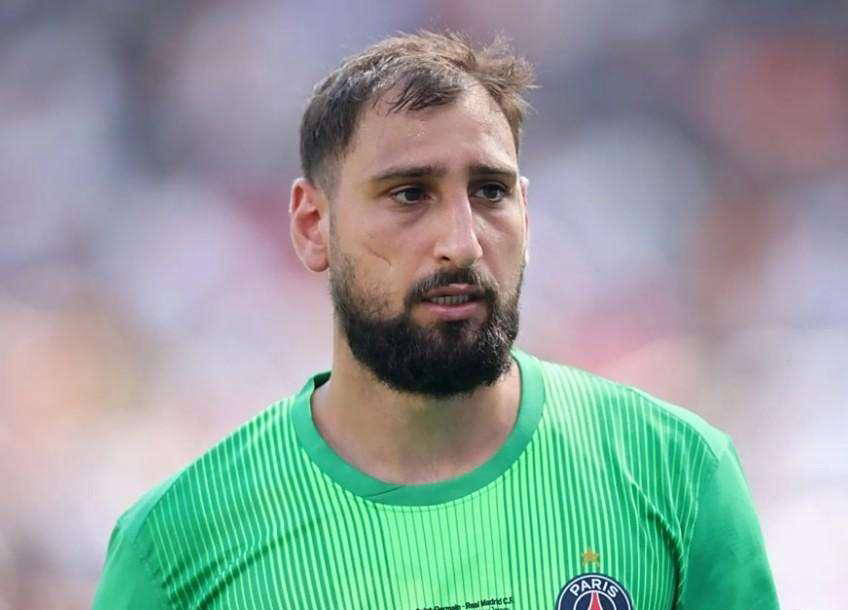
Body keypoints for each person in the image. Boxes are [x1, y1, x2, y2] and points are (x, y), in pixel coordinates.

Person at [93, 31, 779, 610]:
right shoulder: (175, 547)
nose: (462, 242)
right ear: (312, 225)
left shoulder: (677, 475)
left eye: (490, 192)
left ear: (526, 213)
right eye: (409, 194)